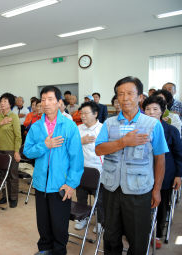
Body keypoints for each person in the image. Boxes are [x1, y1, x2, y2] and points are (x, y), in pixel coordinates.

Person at [95, 76, 169, 254]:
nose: (125, 98)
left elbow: (160, 159)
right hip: (111, 189)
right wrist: (123, 142)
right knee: (111, 237)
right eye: (120, 94)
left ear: (140, 97)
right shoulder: (109, 123)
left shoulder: (152, 125)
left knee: (137, 238)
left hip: (139, 191)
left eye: (130, 93)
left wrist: (157, 189)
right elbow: (99, 149)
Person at [24, 86, 84, 255]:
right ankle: (44, 248)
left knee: (59, 223)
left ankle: (58, 251)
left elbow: (76, 159)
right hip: (41, 182)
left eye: (50, 99)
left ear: (59, 103)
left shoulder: (69, 126)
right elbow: (27, 151)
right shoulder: (36, 127)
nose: (46, 103)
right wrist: (45, 145)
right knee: (42, 221)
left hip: (60, 184)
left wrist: (71, 184)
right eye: (43, 100)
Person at [143, 95, 182, 249]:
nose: (151, 112)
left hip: (166, 174)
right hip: (144, 173)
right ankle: (144, 231)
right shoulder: (139, 129)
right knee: (143, 204)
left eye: (155, 109)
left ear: (162, 111)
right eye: (147, 109)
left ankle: (158, 233)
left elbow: (179, 154)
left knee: (161, 205)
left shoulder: (171, 130)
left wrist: (179, 175)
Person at [74, 101, 104, 233]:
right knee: (81, 196)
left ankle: (100, 222)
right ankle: (82, 218)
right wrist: (81, 141)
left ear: (95, 114)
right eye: (81, 113)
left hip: (98, 170)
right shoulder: (78, 128)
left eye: (86, 113)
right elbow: (69, 146)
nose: (82, 116)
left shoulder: (103, 128)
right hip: (81, 169)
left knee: (100, 199)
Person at [0, 93, 22, 208]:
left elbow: (18, 136)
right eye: (1, 101)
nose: (2, 103)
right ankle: (4, 195)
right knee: (2, 174)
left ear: (10, 104)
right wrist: (1, 123)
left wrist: (17, 151)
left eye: (4, 101)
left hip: (11, 150)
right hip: (0, 150)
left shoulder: (14, 117)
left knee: (12, 175)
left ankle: (13, 197)